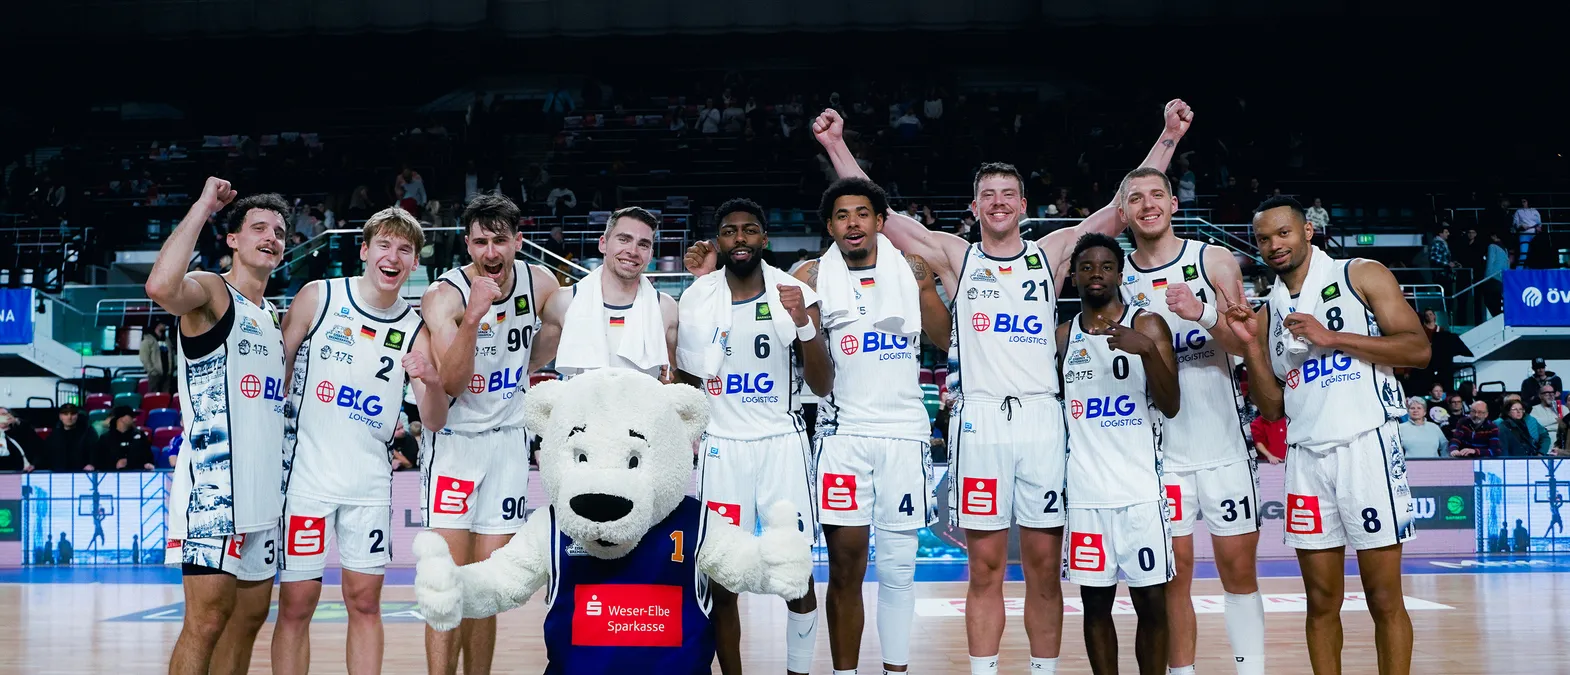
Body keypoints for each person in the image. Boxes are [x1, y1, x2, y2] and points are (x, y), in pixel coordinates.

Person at [811, 99, 1193, 675]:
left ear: (1022, 205)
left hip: (1042, 422)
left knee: (1043, 567)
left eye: (1007, 194)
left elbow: (1124, 208)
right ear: (974, 206)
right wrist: (836, 146)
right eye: (986, 194)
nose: (997, 202)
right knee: (985, 568)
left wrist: (1166, 137)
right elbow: (883, 215)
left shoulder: (1053, 253)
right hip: (980, 422)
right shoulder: (955, 256)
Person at [687, 177, 948, 675]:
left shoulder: (907, 271)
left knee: (894, 571)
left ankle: (894, 669)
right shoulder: (807, 276)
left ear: (878, 221)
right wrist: (705, 280)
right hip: (836, 436)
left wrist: (926, 287)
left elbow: (945, 338)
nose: (853, 223)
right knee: (838, 570)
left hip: (901, 433)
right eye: (842, 215)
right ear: (828, 226)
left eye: (863, 213)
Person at [1222, 196, 1427, 675]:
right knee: (1319, 601)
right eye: (1264, 238)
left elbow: (1417, 349)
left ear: (1307, 232)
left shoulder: (1360, 273)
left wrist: (1331, 338)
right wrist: (1251, 345)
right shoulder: (1269, 311)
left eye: (1284, 233)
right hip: (1306, 459)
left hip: (1366, 444)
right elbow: (1272, 406)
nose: (1274, 245)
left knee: (1382, 596)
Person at [271, 207, 450, 675]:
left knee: (366, 604)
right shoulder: (319, 297)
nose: (393, 257)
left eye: (405, 250)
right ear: (365, 250)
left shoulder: (416, 329)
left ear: (415, 264)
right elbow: (278, 371)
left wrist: (431, 382)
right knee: (296, 603)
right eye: (385, 246)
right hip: (306, 479)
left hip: (369, 485)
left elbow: (433, 421)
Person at [675, 199, 835, 675]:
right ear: (718, 241)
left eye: (749, 230)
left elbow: (823, 385)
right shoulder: (698, 297)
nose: (739, 238)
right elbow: (686, 380)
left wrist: (805, 325)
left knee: (794, 573)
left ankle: (798, 672)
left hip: (781, 445)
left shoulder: (793, 290)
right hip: (722, 448)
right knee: (723, 577)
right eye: (729, 231)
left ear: (764, 239)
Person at [1120, 163, 1268, 674]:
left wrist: (1201, 313)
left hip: (1224, 444)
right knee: (1173, 577)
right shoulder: (1117, 276)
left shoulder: (1213, 259)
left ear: (1174, 203)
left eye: (1156, 194)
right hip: (1162, 457)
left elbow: (1248, 345)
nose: (1148, 204)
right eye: (1136, 198)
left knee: (1238, 573)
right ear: (1124, 212)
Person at [145, 177, 290, 675]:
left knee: (247, 622)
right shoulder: (212, 290)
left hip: (263, 496)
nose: (271, 237)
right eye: (258, 228)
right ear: (233, 239)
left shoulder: (272, 315)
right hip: (214, 493)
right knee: (205, 622)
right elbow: (161, 287)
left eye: (279, 231)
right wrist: (204, 204)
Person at [417, 192, 561, 675]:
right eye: (481, 241)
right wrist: (475, 316)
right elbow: (453, 382)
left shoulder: (541, 282)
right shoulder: (444, 296)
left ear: (519, 241)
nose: (491, 252)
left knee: (485, 585)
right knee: (446, 582)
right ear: (466, 244)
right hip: (455, 443)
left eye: (501, 240)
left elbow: (563, 331)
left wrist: (526, 366)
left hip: (507, 443)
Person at [1056, 233, 1180, 675]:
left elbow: (1170, 404)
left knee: (1151, 604)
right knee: (1095, 607)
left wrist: (1146, 351)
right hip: (1087, 495)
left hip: (1142, 493)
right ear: (1072, 277)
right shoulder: (1063, 336)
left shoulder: (1148, 326)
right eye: (1086, 267)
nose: (1096, 274)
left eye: (1105, 266)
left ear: (1119, 274)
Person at [536, 206, 679, 381]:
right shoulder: (564, 301)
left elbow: (688, 371)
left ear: (650, 255)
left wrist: (668, 388)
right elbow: (529, 363)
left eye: (643, 244)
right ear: (603, 243)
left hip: (643, 407)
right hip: (581, 407)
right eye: (624, 239)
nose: (632, 251)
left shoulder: (666, 308)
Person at [42, 403, 96, 472]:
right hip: (59, 476)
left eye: (72, 414)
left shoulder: (88, 433)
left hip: (82, 474)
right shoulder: (54, 435)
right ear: (60, 417)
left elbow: (94, 452)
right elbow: (45, 456)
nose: (69, 417)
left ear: (77, 415)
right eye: (66, 414)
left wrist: (91, 464)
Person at [98, 406, 155, 471]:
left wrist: (147, 464)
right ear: (122, 419)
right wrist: (114, 464)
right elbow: (99, 462)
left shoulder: (140, 436)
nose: (135, 419)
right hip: (111, 478)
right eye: (132, 417)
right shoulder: (105, 438)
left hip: (137, 476)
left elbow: (149, 458)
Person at [141, 321, 175, 394]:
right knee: (153, 395)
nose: (165, 326)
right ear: (157, 326)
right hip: (155, 374)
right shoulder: (148, 340)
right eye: (163, 324)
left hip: (167, 373)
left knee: (166, 396)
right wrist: (152, 370)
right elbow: (144, 357)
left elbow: (171, 354)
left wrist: (171, 369)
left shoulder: (167, 340)